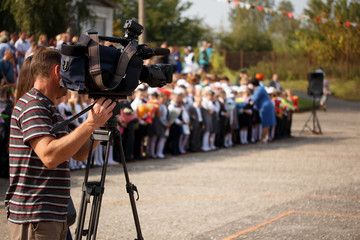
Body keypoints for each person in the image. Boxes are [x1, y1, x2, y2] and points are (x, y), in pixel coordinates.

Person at [4, 48, 116, 239]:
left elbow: (79, 153)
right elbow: (49, 156)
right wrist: (89, 123)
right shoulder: (33, 106)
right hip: (36, 216)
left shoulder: (48, 106)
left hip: (51, 214)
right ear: (58, 72)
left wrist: (99, 124)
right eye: (71, 72)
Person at [248, 78, 276, 143]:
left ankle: (262, 138)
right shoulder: (261, 88)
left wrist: (249, 103)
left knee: (265, 123)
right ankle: (264, 137)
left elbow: (254, 99)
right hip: (268, 106)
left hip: (264, 107)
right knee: (268, 122)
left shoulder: (258, 89)